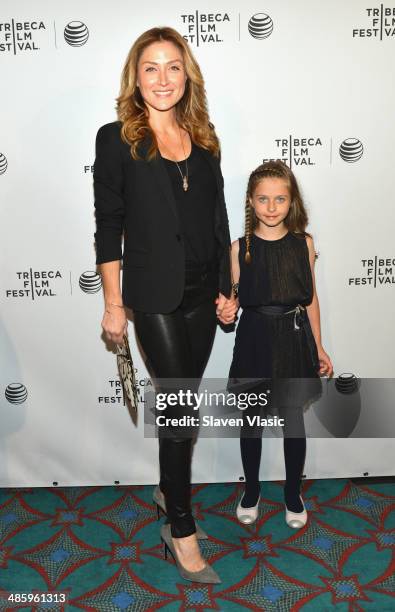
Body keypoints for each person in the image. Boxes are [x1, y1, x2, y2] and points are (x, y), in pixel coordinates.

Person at [93, 27, 237, 583]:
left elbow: (218, 221)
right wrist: (112, 302)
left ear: (187, 74)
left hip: (204, 291)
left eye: (172, 66)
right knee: (181, 410)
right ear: (136, 77)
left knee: (182, 408)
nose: (162, 79)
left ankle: (165, 487)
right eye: (150, 68)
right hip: (152, 294)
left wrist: (229, 289)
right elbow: (109, 227)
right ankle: (180, 527)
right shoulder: (116, 139)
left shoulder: (205, 141)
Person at [228, 161, 333, 528]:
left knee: (293, 421)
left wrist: (318, 347)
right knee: (252, 420)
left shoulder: (304, 243)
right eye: (263, 199)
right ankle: (252, 490)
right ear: (251, 202)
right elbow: (232, 300)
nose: (271, 207)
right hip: (254, 338)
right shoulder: (240, 248)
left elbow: (311, 299)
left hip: (293, 338)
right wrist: (226, 310)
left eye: (280, 199)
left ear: (292, 202)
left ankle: (292, 493)